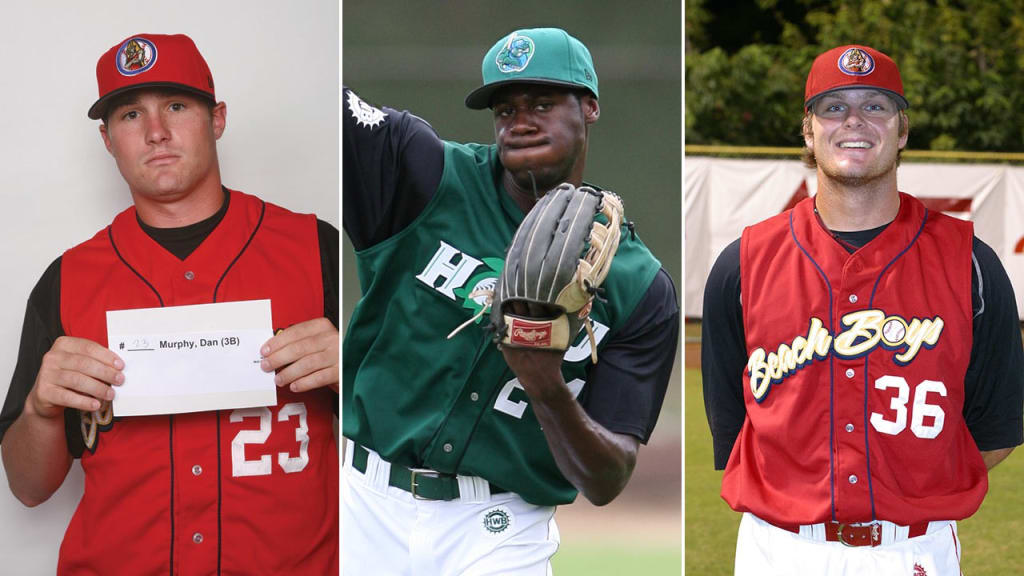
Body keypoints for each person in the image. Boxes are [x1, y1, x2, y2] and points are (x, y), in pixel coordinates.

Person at [343, 27, 679, 575]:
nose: (519, 121)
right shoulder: (424, 176)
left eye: (542, 103)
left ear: (589, 107)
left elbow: (607, 478)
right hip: (364, 505)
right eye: (504, 108)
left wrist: (543, 380)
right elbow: (324, 102)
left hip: (499, 529)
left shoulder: (638, 286)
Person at [0, 33, 339, 574]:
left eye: (176, 106)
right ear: (108, 139)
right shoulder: (66, 280)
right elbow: (28, 488)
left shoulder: (319, 251)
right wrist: (41, 409)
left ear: (217, 119)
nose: (156, 132)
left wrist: (358, 372)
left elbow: (401, 429)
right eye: (131, 115)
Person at [702, 44, 1024, 574]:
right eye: (834, 107)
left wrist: (910, 489)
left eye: (875, 106)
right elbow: (734, 425)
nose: (854, 121)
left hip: (913, 549)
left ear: (902, 130)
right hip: (778, 550)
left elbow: (994, 430)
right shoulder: (742, 265)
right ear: (808, 130)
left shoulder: (971, 264)